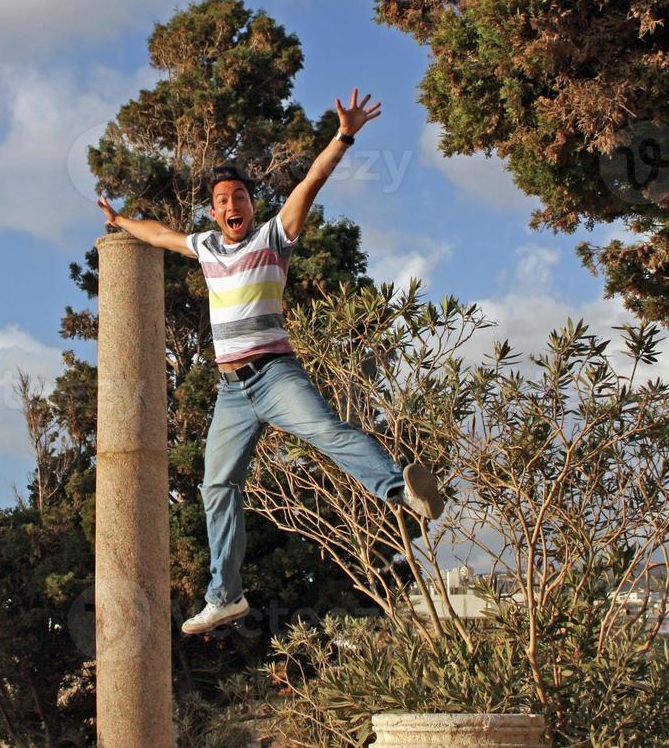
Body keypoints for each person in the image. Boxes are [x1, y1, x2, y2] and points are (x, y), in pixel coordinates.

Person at [96, 87, 444, 635]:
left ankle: (402, 491)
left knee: (327, 431)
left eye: (239, 197)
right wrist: (120, 222)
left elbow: (311, 182)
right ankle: (226, 596)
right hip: (231, 392)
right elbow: (160, 235)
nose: (231, 206)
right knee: (218, 486)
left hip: (275, 375)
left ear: (252, 205)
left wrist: (345, 134)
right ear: (212, 212)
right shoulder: (208, 248)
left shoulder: (273, 239)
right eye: (222, 201)